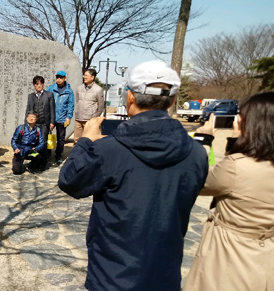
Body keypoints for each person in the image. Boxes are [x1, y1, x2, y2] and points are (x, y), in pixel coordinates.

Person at [58, 60, 209, 291]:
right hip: (165, 272)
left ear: (130, 97)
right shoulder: (196, 153)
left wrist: (85, 141)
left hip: (112, 272)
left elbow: (69, 180)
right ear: (172, 100)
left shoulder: (109, 150)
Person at [183, 92, 274, 291]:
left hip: (230, 257)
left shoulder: (237, 167)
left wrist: (203, 140)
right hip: (265, 256)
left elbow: (198, 181)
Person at [25, 75, 55, 171]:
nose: (39, 86)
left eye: (41, 84)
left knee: (44, 142)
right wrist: (26, 123)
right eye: (37, 84)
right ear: (34, 85)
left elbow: (52, 109)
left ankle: (44, 163)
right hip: (34, 124)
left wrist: (52, 122)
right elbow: (28, 109)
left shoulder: (49, 95)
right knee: (34, 143)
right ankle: (36, 161)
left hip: (44, 123)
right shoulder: (30, 96)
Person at [46, 70, 74, 165]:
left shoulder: (69, 91)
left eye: (61, 77)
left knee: (61, 138)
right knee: (49, 136)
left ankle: (58, 154)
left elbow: (71, 105)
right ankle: (49, 152)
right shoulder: (51, 88)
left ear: (64, 78)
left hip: (62, 118)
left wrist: (69, 117)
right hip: (51, 117)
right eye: (57, 77)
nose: (58, 79)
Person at [74, 69, 103, 143]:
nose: (84, 77)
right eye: (84, 75)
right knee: (77, 140)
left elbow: (101, 106)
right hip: (78, 118)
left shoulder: (98, 90)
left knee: (88, 140)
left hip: (89, 120)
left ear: (92, 77)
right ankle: (77, 154)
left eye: (86, 75)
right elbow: (77, 101)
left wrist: (94, 117)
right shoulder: (79, 88)